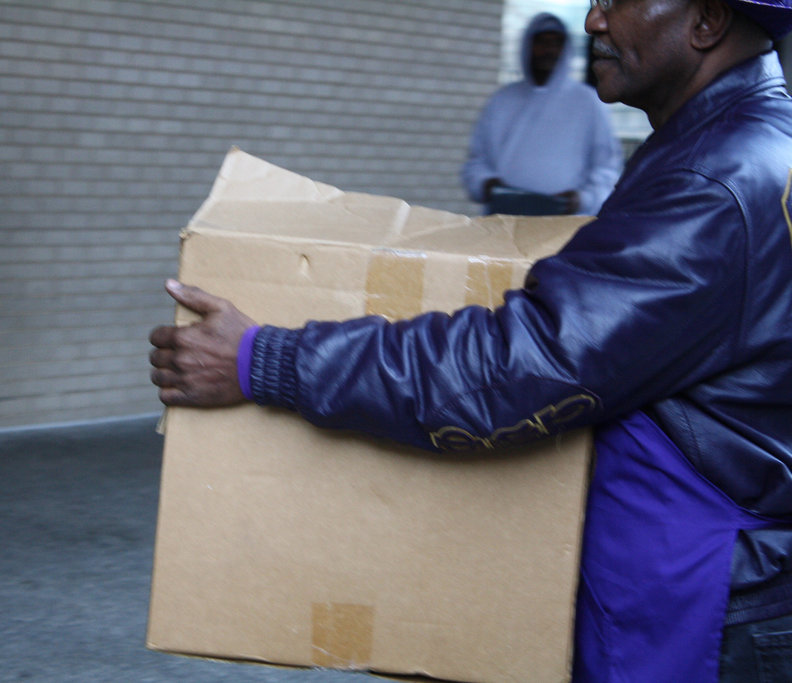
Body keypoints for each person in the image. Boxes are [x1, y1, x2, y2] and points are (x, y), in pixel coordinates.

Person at [149, 0, 792, 678]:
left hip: (706, 610)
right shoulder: (739, 143)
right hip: (704, 577)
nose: (593, 21)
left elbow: (523, 366)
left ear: (707, 21)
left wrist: (265, 359)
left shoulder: (714, 178)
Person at [462, 12, 622, 215]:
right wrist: (489, 185)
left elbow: (606, 170)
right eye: (542, 42)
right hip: (503, 222)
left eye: (556, 43)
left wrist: (581, 200)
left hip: (563, 228)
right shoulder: (502, 100)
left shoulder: (589, 102)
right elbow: (476, 163)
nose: (549, 50)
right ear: (528, 46)